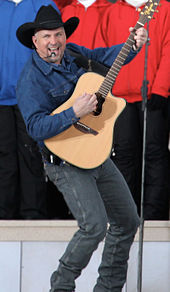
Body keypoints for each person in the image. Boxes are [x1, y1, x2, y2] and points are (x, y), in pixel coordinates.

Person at [16, 5, 147, 291]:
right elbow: (36, 128)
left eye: (59, 34)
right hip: (63, 160)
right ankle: (61, 286)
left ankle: (109, 287)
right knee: (94, 226)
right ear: (35, 41)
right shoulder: (30, 80)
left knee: (127, 220)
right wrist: (74, 112)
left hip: (95, 149)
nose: (54, 41)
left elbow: (104, 58)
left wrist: (133, 45)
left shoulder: (74, 53)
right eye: (47, 36)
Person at [96, 0, 170, 220]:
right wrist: (105, 90)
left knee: (154, 154)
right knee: (123, 155)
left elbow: (168, 47)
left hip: (153, 95)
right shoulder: (112, 11)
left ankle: (153, 214)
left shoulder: (163, 7)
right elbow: (102, 53)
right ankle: (124, 214)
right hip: (119, 98)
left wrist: (161, 88)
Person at [0, 0, 59, 219]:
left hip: (32, 96)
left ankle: (32, 214)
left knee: (31, 156)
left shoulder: (42, 5)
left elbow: (55, 50)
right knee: (4, 156)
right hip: (1, 98)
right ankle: (4, 215)